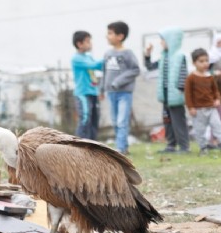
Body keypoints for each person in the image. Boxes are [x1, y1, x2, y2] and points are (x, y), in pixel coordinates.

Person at [144, 27, 190, 153]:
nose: (161, 43)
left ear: (171, 40)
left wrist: (180, 91)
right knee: (167, 121)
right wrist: (147, 54)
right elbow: (150, 67)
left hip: (175, 96)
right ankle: (171, 145)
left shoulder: (180, 57)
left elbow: (183, 75)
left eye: (163, 40)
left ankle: (184, 146)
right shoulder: (163, 57)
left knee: (178, 122)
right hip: (165, 97)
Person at [184, 48, 221, 155]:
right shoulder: (191, 78)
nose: (205, 63)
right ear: (194, 63)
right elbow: (188, 94)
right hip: (198, 110)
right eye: (201, 61)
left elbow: (215, 91)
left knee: (217, 125)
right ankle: (203, 147)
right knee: (200, 130)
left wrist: (217, 99)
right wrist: (191, 107)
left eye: (206, 61)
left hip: (211, 108)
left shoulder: (210, 77)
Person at [101, 21, 140, 155]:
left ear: (120, 36)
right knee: (115, 121)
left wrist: (118, 81)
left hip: (124, 93)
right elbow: (104, 72)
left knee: (122, 121)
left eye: (110, 33)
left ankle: (121, 148)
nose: (107, 36)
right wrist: (101, 89)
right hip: (111, 93)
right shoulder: (107, 54)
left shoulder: (128, 53)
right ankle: (123, 146)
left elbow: (135, 70)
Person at [71, 31, 104, 140]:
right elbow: (94, 65)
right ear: (79, 44)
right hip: (83, 93)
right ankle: (81, 145)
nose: (90, 44)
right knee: (85, 118)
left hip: (93, 91)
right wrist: (108, 57)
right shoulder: (76, 58)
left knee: (95, 119)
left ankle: (92, 146)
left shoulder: (88, 56)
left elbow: (99, 67)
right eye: (87, 42)